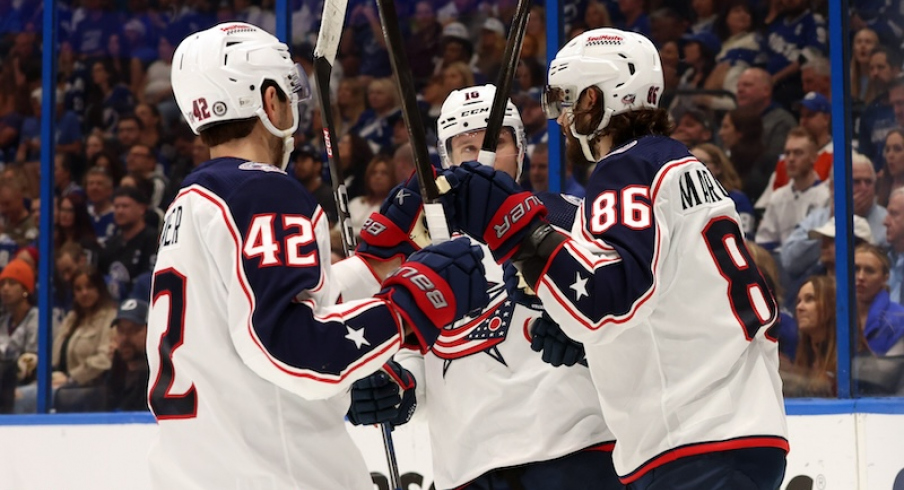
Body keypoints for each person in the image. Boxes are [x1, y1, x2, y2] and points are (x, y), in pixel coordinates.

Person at [438, 28, 788, 489]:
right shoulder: (680, 166)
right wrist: (578, 334)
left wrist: (518, 230)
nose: (562, 117)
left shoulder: (626, 168)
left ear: (607, 96)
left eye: (570, 99)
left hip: (697, 436)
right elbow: (656, 294)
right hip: (735, 424)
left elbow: (606, 298)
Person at [148, 22, 488, 490]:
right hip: (277, 476)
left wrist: (374, 267)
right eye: (288, 94)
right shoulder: (261, 190)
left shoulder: (190, 203)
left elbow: (254, 310)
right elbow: (290, 350)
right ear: (268, 101)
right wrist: (410, 306)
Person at [348, 84, 621, 490]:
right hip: (467, 467)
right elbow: (413, 357)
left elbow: (625, 314)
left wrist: (588, 339)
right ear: (447, 159)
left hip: (572, 452)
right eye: (467, 147)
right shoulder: (421, 253)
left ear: (521, 150)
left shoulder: (570, 216)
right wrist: (394, 386)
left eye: (496, 142)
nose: (482, 157)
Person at [756, 128, 831, 251]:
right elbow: (765, 241)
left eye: (798, 153)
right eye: (787, 153)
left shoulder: (826, 197)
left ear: (814, 157)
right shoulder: (777, 197)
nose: (791, 159)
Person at [781, 275, 837, 397]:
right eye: (799, 301)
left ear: (832, 305)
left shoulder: (850, 363)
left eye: (809, 299)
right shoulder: (804, 357)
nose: (799, 307)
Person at [0, 259, 37, 413]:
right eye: (2, 284)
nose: (5, 289)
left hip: (30, 383)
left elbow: (33, 359)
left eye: (12, 283)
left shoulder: (37, 318)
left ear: (25, 289)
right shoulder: (3, 321)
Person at [105, 298, 150, 411]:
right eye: (121, 330)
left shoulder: (162, 380)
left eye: (134, 330)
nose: (125, 338)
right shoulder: (116, 373)